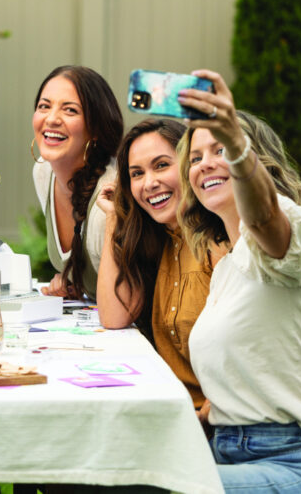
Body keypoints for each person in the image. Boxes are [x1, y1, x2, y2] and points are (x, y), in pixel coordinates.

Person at [178, 70, 301, 492]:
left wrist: (236, 144)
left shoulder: (296, 230)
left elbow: (264, 220)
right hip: (233, 451)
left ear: (256, 160)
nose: (206, 163)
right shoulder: (227, 266)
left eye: (219, 149)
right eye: (196, 157)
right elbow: (251, 375)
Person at [95, 119, 227, 410]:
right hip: (176, 410)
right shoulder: (162, 240)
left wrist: (204, 421)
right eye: (137, 174)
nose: (149, 183)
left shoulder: (223, 242)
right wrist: (114, 219)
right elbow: (114, 317)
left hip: (222, 425)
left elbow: (249, 355)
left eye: (162, 165)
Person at [32, 65, 123, 299]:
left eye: (70, 110)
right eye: (44, 106)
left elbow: (124, 299)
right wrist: (70, 282)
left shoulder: (109, 195)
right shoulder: (43, 172)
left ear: (96, 128)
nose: (51, 119)